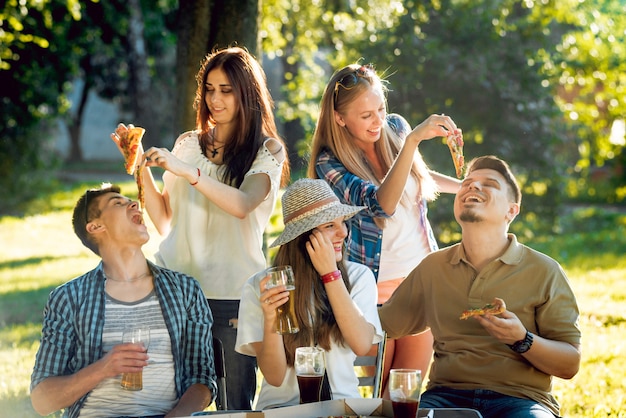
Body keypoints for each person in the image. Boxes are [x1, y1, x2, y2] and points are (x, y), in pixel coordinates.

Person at [112, 46, 290, 410]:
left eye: (226, 90)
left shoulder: (267, 150)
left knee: (233, 406)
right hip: (176, 293)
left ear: (247, 93)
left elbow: (242, 204)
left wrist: (184, 171)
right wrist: (138, 161)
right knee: (168, 402)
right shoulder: (188, 144)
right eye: (209, 89)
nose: (215, 99)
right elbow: (164, 221)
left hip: (232, 298)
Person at [379, 155, 582, 418]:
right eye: (468, 182)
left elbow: (569, 365)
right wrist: (331, 278)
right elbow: (380, 326)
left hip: (521, 401)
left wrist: (521, 339)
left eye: (489, 184)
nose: (473, 186)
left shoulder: (545, 271)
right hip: (444, 398)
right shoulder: (432, 267)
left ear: (512, 210)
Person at [308, 63, 462, 395]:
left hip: (422, 286)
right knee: (383, 397)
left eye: (380, 109)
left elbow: (417, 176)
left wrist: (466, 187)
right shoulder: (329, 162)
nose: (378, 120)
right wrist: (413, 142)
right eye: (366, 115)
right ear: (339, 118)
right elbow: (381, 205)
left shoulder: (396, 128)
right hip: (376, 294)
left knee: (405, 394)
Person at [30, 184, 216, 418]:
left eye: (131, 201)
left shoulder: (185, 290)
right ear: (96, 226)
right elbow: (42, 400)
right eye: (118, 203)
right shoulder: (69, 298)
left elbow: (202, 380)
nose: (134, 203)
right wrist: (103, 368)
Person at [235, 178, 384, 409]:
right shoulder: (259, 286)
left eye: (342, 222)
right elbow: (274, 378)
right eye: (329, 226)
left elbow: (362, 344)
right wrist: (271, 320)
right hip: (282, 410)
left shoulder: (358, 277)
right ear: (303, 237)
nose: (343, 233)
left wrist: (330, 275)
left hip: (341, 406)